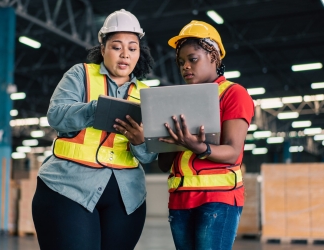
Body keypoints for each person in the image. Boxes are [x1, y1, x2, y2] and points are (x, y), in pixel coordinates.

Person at [32, 9, 157, 250]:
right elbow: (56, 116)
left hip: (126, 198)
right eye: (116, 46)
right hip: (68, 188)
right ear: (102, 49)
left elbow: (149, 156)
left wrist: (141, 141)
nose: (125, 54)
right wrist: (97, 110)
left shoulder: (146, 93)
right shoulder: (80, 75)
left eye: (132, 48)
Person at [158, 21, 255, 250]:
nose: (185, 67)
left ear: (214, 57)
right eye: (181, 62)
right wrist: (171, 140)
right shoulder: (175, 101)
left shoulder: (233, 94)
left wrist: (196, 145)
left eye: (193, 59)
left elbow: (232, 152)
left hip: (217, 200)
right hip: (180, 200)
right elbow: (164, 164)